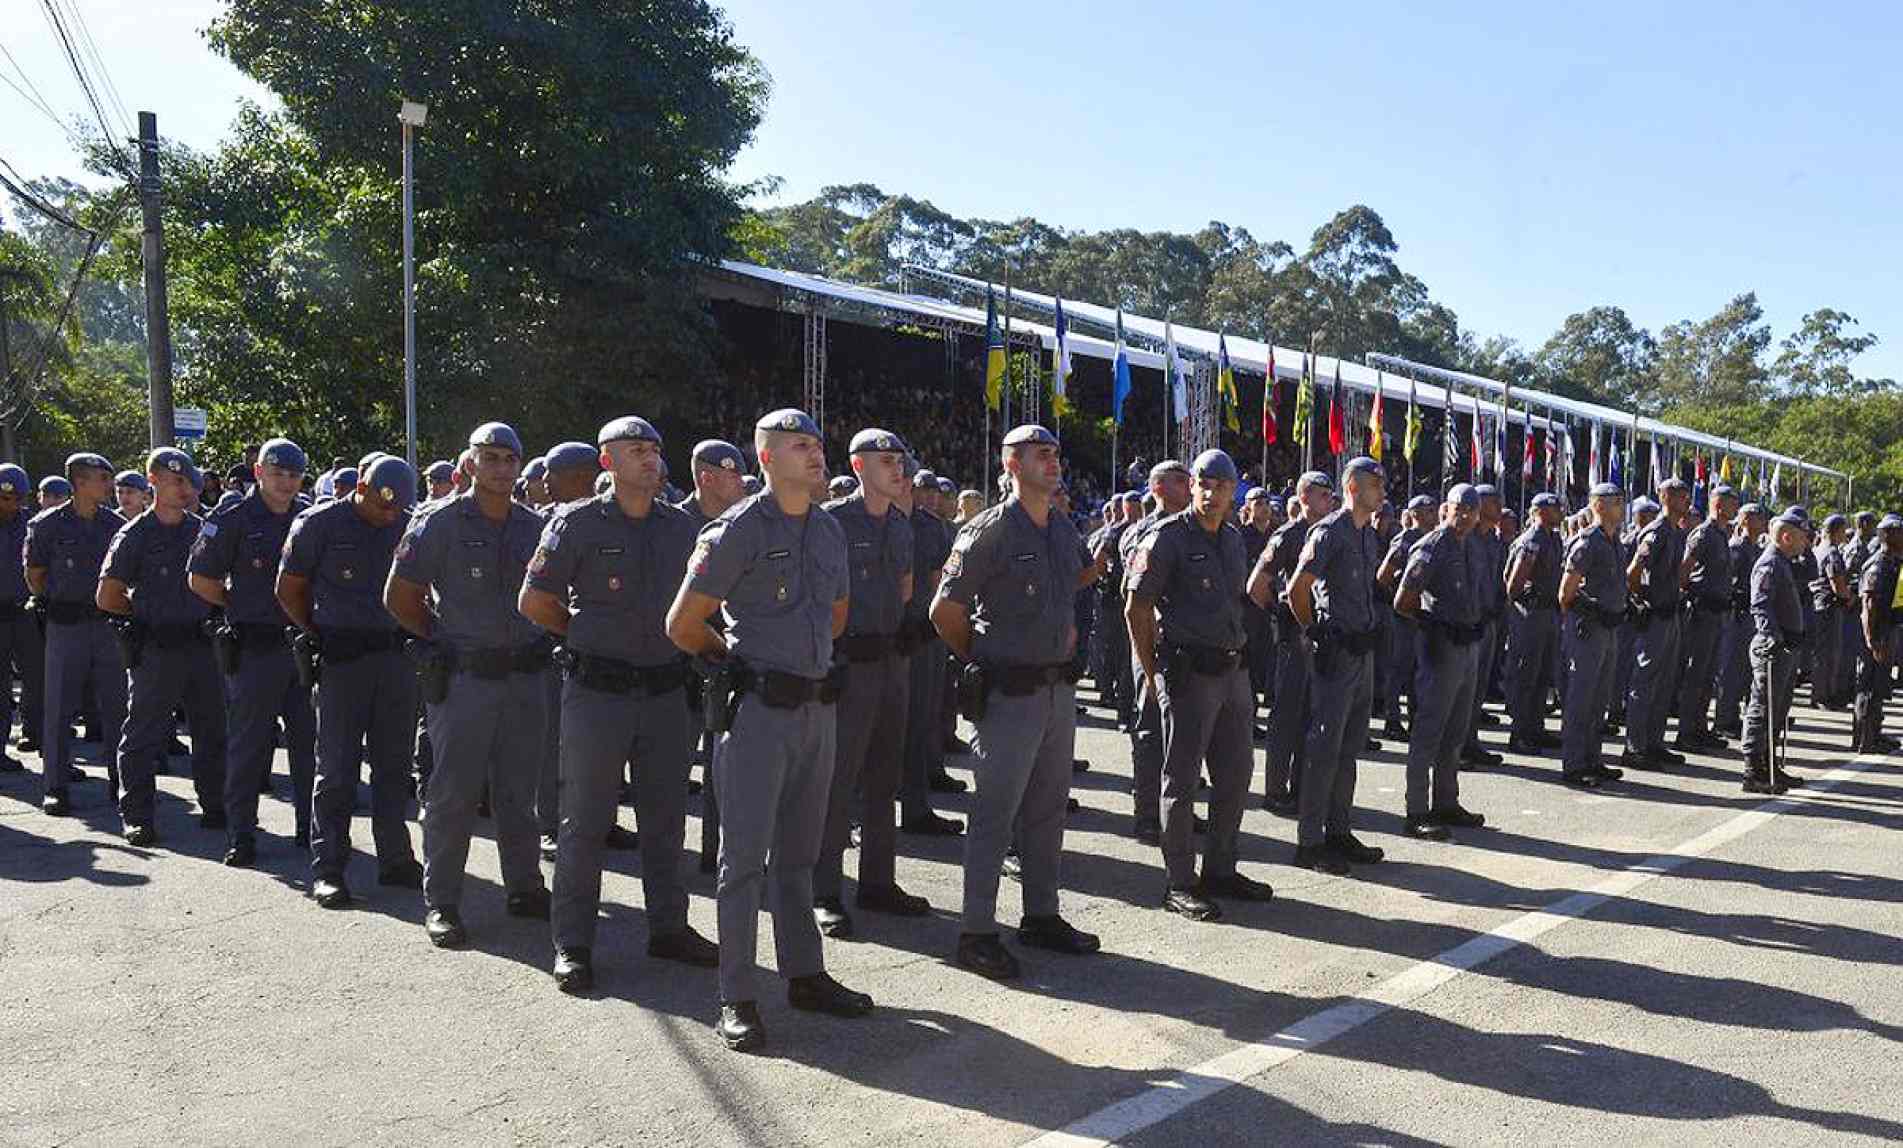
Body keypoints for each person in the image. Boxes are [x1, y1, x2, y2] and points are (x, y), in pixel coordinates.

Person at [665, 408, 872, 1054]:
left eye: (816, 443)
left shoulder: (830, 530)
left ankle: (804, 974)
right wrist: (739, 664)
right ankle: (737, 996)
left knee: (800, 857)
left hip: (816, 708)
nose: (815, 454)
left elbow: (837, 616)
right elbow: (682, 622)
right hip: (756, 711)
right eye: (798, 446)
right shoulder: (738, 529)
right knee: (742, 863)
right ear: (766, 459)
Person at [519, 416, 715, 992]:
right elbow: (535, 600)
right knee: (585, 821)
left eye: (654, 449)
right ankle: (573, 943)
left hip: (663, 692)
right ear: (608, 462)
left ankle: (669, 927)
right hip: (597, 693)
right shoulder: (574, 524)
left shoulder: (681, 528)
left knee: (665, 817)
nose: (650, 459)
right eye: (636, 451)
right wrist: (584, 637)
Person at [931, 423, 1100, 981]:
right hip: (1008, 692)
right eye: (1039, 455)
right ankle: (976, 931)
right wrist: (983, 658)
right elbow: (944, 612)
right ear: (1011, 466)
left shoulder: (1060, 526)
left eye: (1054, 453)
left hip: (1056, 690)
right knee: (994, 815)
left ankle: (1041, 914)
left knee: (1047, 810)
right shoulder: (989, 532)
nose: (1052, 463)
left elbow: (1073, 583)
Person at [385, 423, 554, 948]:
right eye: (492, 457)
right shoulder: (438, 522)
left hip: (524, 677)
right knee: (453, 793)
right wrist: (441, 637)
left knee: (517, 791)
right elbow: (399, 596)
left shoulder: (534, 527)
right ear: (471, 462)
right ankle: (443, 901)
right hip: (465, 679)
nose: (502, 468)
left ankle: (525, 887)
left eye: (511, 458)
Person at [1126, 448, 1274, 921]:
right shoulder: (1167, 537)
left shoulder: (1231, 539)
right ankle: (1180, 881)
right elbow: (1137, 607)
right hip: (1188, 674)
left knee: (1236, 774)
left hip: (1231, 671)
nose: (1212, 494)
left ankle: (1221, 870)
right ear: (1192, 485)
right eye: (1204, 484)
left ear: (1234, 492)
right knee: (1182, 779)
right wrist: (1153, 674)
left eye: (1222, 486)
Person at [277, 455, 423, 909]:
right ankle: (329, 867)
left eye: (395, 508)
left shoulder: (410, 524)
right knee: (337, 769)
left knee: (394, 765)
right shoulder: (318, 524)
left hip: (395, 659)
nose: (387, 514)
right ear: (359, 485)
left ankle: (395, 857)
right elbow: (289, 589)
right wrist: (320, 633)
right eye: (380, 504)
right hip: (342, 659)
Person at [814, 428, 925, 937]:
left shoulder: (901, 526)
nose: (897, 468)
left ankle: (878, 882)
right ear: (858, 467)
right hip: (847, 663)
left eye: (899, 460)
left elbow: (903, 589)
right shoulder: (832, 523)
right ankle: (824, 889)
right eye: (885, 460)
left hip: (889, 660)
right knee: (838, 779)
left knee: (886, 776)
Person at [188, 437, 316, 864]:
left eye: (294, 475)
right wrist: (237, 604)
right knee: (248, 745)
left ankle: (309, 828)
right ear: (258, 472)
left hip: (301, 647)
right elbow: (201, 579)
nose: (285, 482)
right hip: (255, 648)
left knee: (307, 743)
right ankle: (241, 833)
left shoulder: (309, 517)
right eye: (277, 473)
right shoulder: (234, 518)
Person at [96, 449, 228, 845]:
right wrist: (146, 613)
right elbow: (107, 595)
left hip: (202, 645)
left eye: (189, 482)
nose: (185, 490)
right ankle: (137, 814)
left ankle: (215, 803)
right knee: (143, 733)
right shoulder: (135, 534)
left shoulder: (202, 530)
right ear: (152, 481)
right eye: (176, 482)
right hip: (157, 647)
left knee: (211, 729)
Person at [1283, 457, 1387, 875]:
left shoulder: (1367, 535)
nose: (1382, 491)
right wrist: (1316, 632)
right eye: (1374, 485)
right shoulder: (1329, 532)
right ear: (1353, 489)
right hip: (1338, 651)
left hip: (1362, 651)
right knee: (1324, 747)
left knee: (1349, 746)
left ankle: (1338, 830)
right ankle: (1310, 841)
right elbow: (1297, 590)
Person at [25, 453, 127, 815]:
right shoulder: (47, 525)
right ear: (80, 482)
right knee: (59, 708)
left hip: (107, 625)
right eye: (103, 478)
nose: (109, 485)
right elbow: (35, 576)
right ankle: (55, 786)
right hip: (65, 626)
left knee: (116, 706)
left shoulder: (115, 524)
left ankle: (122, 783)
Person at [1392, 484, 1489, 840]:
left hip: (1467, 645)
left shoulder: (1472, 546)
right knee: (1429, 730)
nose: (1463, 517)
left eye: (1470, 511)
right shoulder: (1432, 545)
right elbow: (1403, 599)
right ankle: (1416, 810)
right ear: (1445, 509)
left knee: (1456, 731)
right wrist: (1433, 626)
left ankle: (1446, 801)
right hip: (1442, 645)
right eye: (1458, 509)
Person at [1250, 473, 1335, 813]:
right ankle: (1275, 789)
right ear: (1304, 497)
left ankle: (1302, 786)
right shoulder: (1288, 535)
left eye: (1331, 494)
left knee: (1311, 715)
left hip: (1320, 634)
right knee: (1286, 715)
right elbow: (1256, 585)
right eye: (1323, 494)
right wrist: (1281, 614)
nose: (1329, 499)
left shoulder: (1329, 533)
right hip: (1294, 636)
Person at [1119, 460, 1190, 843]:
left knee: (1183, 734)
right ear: (1158, 488)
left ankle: (1176, 810)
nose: (1188, 487)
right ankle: (1147, 813)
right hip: (1151, 643)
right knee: (1149, 730)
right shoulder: (1142, 533)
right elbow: (1134, 598)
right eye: (1179, 482)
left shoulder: (1195, 530)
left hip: (1186, 645)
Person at [899, 466, 963, 838]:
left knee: (921, 720)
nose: (921, 493)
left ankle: (916, 804)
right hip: (873, 642)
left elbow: (943, 583)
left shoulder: (931, 527)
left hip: (922, 637)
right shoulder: (852, 520)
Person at [1557, 483, 1629, 788]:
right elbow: (1565, 593)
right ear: (1598, 505)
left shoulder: (1616, 543)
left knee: (1600, 698)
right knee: (1581, 698)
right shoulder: (1587, 542)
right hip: (1589, 628)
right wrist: (1590, 611)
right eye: (1615, 502)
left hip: (1610, 627)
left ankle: (1592, 758)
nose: (1621, 507)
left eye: (1621, 502)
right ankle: (1574, 763)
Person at [1621, 479, 1691, 770]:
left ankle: (1654, 742)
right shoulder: (1657, 532)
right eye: (1679, 495)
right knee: (1645, 681)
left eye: (1686, 495)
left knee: (1664, 683)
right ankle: (1635, 747)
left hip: (1671, 613)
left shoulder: (1676, 531)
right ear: (1664, 497)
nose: (1685, 500)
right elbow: (1633, 572)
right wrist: (1643, 600)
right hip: (1656, 615)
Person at [1740, 511, 1808, 794]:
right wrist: (1774, 638)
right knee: (1762, 707)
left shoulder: (1783, 563)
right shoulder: (1769, 563)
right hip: (1773, 647)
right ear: (1786, 536)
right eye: (1802, 536)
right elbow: (1761, 605)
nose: (1806, 542)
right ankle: (1754, 771)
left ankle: (1770, 766)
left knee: (1778, 708)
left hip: (1786, 646)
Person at [1673, 485, 1739, 752]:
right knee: (1696, 672)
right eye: (1732, 504)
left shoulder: (1722, 535)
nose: (1736, 509)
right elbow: (1683, 573)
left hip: (1718, 611)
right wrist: (1696, 596)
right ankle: (1687, 731)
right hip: (1702, 612)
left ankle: (1700, 727)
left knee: (1709, 673)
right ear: (1719, 506)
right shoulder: (1703, 534)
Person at [1503, 493, 1565, 754]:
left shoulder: (1552, 537)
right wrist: (1524, 604)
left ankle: (1535, 727)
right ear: (1540, 510)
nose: (1560, 512)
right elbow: (1514, 583)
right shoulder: (1532, 540)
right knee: (1525, 673)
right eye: (1555, 508)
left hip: (1548, 613)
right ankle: (1519, 732)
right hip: (1531, 613)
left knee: (1542, 674)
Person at [1375, 494, 1435, 739]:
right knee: (1398, 668)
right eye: (1428, 510)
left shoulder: (1434, 538)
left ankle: (1416, 718)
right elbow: (1383, 575)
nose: (1433, 513)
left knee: (1418, 670)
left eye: (1434, 509)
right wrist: (1397, 596)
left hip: (1422, 614)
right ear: (1415, 514)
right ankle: (1392, 719)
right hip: (1402, 615)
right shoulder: (1405, 540)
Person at [0, 465, 44, 771]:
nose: (11, 504)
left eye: (16, 498)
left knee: (41, 679)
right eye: (5, 498)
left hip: (25, 613)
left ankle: (43, 741)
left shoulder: (31, 523)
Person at [1460, 485, 1507, 766]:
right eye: (1493, 502)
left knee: (1477, 690)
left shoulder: (1495, 541)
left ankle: (1470, 741)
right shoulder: (1466, 538)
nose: (1499, 507)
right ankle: (1454, 749)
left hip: (1488, 622)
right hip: (1467, 625)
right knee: (1460, 691)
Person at [1713, 504, 1769, 738]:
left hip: (1749, 615)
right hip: (1737, 615)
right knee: (1731, 668)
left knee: (1745, 669)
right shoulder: (1737, 547)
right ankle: (1724, 719)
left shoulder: (1755, 548)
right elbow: (1731, 583)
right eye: (1758, 517)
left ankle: (1736, 716)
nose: (1763, 521)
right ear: (1745, 520)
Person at [1850, 515, 1903, 754]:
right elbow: (1868, 606)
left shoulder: (1893, 562)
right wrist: (1872, 641)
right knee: (1868, 686)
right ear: (1887, 535)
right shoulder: (1878, 565)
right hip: (1875, 632)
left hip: (1887, 629)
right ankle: (1865, 739)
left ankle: (1874, 733)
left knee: (1879, 685)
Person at [1808, 514, 1854, 710]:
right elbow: (1837, 584)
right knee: (1827, 653)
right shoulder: (1832, 553)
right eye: (1843, 529)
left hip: (1819, 606)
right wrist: (1850, 598)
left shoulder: (1819, 549)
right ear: (1836, 531)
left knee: (1822, 653)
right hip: (1829, 607)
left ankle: (1822, 693)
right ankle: (1822, 695)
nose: (1845, 534)